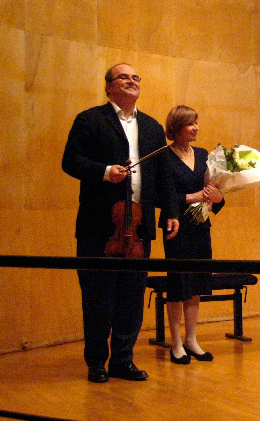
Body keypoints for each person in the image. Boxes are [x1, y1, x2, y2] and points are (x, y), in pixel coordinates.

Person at [62, 63, 180, 383]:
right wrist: (105, 171)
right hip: (100, 226)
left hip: (139, 229)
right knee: (98, 295)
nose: (131, 81)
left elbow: (164, 177)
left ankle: (123, 360)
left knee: (131, 296)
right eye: (123, 77)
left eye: (136, 77)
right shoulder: (90, 120)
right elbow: (70, 161)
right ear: (109, 87)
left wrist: (170, 212)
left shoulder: (153, 128)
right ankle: (97, 362)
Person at [160, 105, 225, 364]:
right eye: (190, 124)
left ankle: (192, 339)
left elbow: (213, 193)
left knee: (196, 284)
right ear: (176, 127)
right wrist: (193, 197)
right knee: (178, 284)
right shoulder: (164, 156)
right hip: (176, 227)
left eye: (197, 123)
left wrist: (217, 197)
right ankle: (175, 342)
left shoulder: (202, 154)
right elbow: (161, 197)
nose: (196, 128)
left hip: (200, 226)